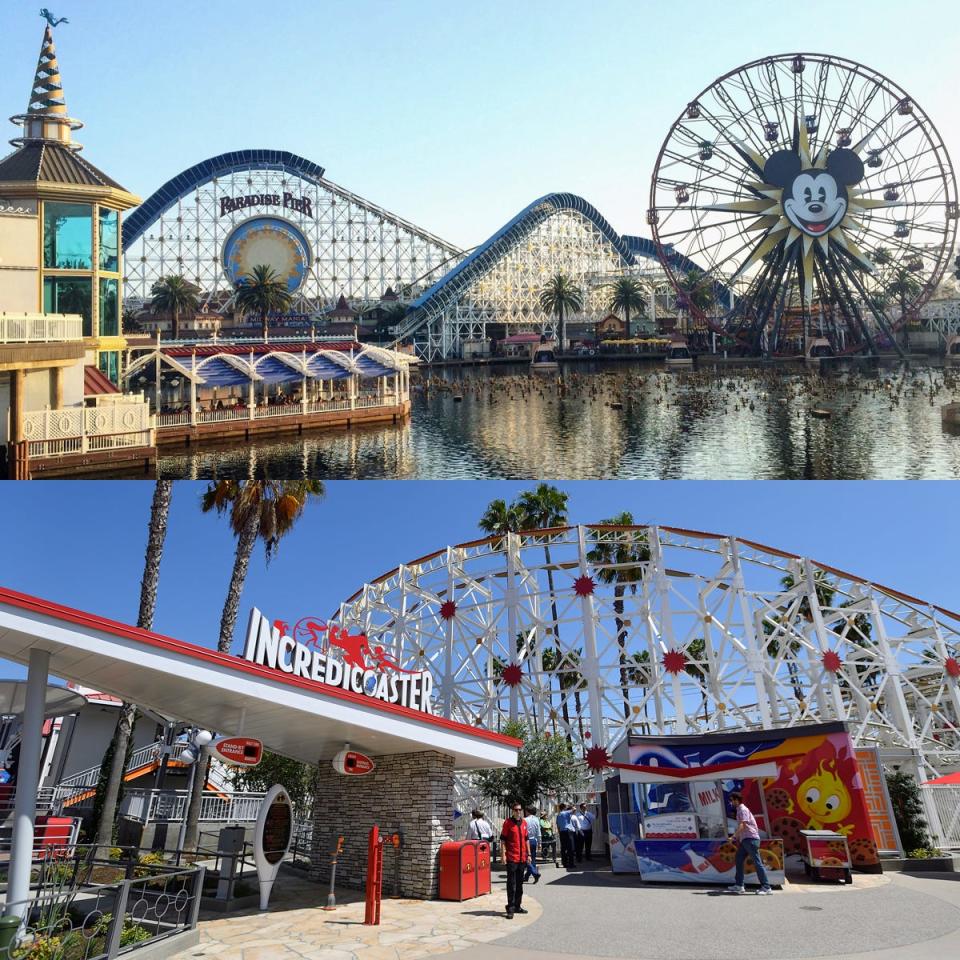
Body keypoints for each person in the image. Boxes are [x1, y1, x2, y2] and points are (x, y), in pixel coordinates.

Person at [727, 790, 772, 895]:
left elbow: (743, 825)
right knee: (738, 859)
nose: (730, 802)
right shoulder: (739, 809)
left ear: (737, 800)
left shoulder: (742, 810)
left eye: (732, 800)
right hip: (746, 840)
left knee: (757, 863)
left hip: (750, 839)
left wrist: (733, 837)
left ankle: (766, 887)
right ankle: (739, 885)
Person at [500, 801, 530, 918]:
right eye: (516, 810)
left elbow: (526, 839)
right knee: (511, 884)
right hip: (512, 857)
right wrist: (503, 855)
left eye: (520, 810)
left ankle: (517, 906)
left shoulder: (524, 822)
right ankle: (510, 908)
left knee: (520, 884)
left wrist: (529, 855)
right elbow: (503, 840)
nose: (518, 812)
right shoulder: (507, 823)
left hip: (522, 858)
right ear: (512, 811)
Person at [523, 807, 541, 883]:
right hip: (534, 840)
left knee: (525, 859)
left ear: (527, 811)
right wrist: (539, 843)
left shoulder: (525, 820)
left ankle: (535, 873)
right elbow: (539, 832)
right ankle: (526, 876)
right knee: (532, 859)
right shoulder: (537, 819)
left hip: (526, 840)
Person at [556, 802, 576, 869]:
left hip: (562, 832)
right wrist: (570, 805)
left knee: (563, 849)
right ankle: (571, 864)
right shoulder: (566, 812)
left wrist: (559, 833)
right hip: (567, 831)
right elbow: (574, 809)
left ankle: (564, 863)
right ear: (564, 807)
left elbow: (558, 826)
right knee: (570, 848)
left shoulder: (558, 815)